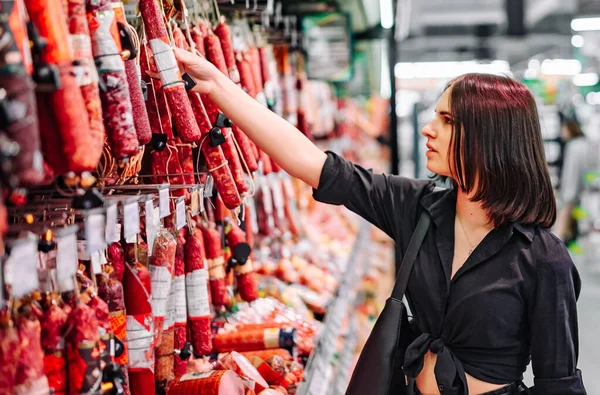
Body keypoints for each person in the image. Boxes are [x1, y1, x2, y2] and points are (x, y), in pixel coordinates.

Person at [152, 49, 587, 395]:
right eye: (434, 115)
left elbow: (558, 381)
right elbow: (315, 164)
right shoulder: (419, 206)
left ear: (490, 137)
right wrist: (219, 87)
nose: (427, 129)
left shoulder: (542, 258)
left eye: (447, 120)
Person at [554, 118, 593, 245]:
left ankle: (558, 241)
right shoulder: (585, 144)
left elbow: (571, 171)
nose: (562, 132)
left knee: (565, 214)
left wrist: (567, 191)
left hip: (571, 189)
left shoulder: (574, 146)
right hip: (582, 189)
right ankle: (569, 239)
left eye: (564, 129)